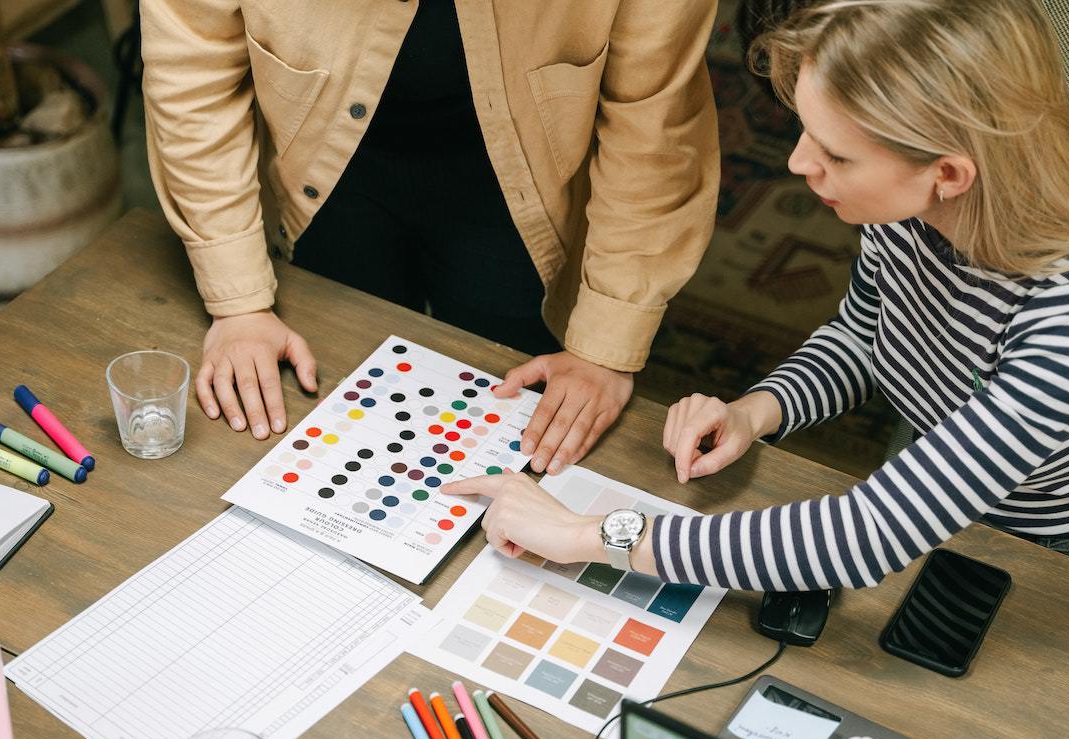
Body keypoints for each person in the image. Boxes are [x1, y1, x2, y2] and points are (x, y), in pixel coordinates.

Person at [443, 0, 1069, 587]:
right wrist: (757, 411)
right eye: (807, 131)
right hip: (933, 465)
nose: (795, 163)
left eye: (836, 154)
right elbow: (866, 338)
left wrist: (586, 535)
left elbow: (868, 535)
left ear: (948, 173)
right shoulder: (911, 209)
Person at [139, 0, 720, 475]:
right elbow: (192, 76)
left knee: (516, 437)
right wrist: (239, 300)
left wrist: (604, 345)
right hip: (319, 167)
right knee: (334, 417)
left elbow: (654, 128)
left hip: (527, 182)